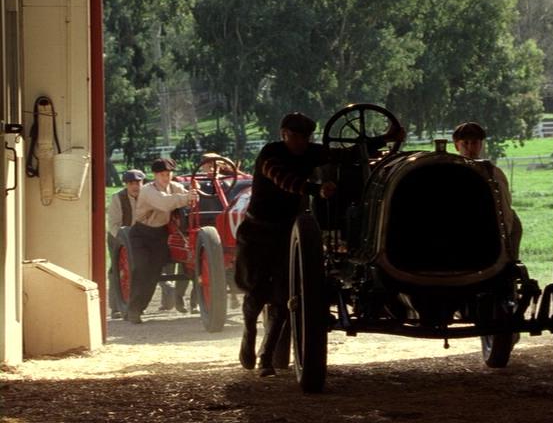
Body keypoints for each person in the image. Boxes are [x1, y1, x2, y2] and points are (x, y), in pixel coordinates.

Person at [236, 112, 404, 377]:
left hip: (288, 233)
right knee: (256, 293)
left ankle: (266, 357)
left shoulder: (312, 153)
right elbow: (282, 179)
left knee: (283, 296)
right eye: (295, 136)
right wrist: (314, 189)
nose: (301, 142)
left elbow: (347, 154)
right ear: (283, 134)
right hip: (258, 232)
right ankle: (249, 332)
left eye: (305, 137)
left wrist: (385, 139)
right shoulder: (271, 154)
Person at [126, 158, 198, 324]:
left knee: (153, 273)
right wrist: (187, 197)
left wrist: (195, 193)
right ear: (155, 175)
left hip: (160, 235)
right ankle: (133, 309)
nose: (166, 177)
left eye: (169, 174)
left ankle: (137, 309)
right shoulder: (147, 190)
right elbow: (164, 203)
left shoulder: (175, 187)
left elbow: (190, 196)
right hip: (141, 235)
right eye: (163, 174)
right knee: (142, 268)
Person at [452, 122, 522, 258]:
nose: (470, 147)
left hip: (494, 225)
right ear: (456, 146)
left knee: (515, 224)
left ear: (480, 145)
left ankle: (510, 263)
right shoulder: (451, 172)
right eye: (465, 143)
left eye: (474, 143)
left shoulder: (494, 173)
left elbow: (505, 206)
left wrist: (503, 234)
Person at [107, 169, 145, 319]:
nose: (135, 186)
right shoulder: (118, 198)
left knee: (145, 265)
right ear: (126, 185)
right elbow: (113, 224)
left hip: (141, 236)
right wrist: (124, 242)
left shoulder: (148, 196)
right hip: (119, 236)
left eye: (138, 183)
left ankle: (165, 297)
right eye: (131, 183)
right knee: (117, 269)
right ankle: (116, 307)